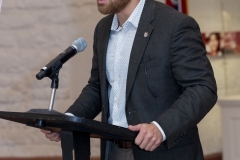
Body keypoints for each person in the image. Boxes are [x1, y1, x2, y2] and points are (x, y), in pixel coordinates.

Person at [41, 0, 217, 159]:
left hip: (165, 152)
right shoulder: (103, 28)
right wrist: (68, 121)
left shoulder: (175, 24)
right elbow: (97, 87)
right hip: (114, 150)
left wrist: (160, 128)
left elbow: (202, 88)